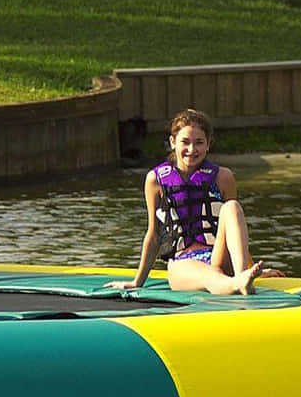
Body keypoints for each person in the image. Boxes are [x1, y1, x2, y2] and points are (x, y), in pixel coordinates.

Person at [105, 108, 275, 296]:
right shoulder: (155, 180)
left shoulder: (223, 177)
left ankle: (242, 276)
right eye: (185, 142)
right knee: (211, 275)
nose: (192, 150)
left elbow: (235, 231)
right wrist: (137, 281)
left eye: (199, 143)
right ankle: (238, 284)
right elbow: (153, 234)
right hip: (183, 264)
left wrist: (249, 268)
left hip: (218, 256)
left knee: (232, 207)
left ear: (208, 144)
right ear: (172, 142)